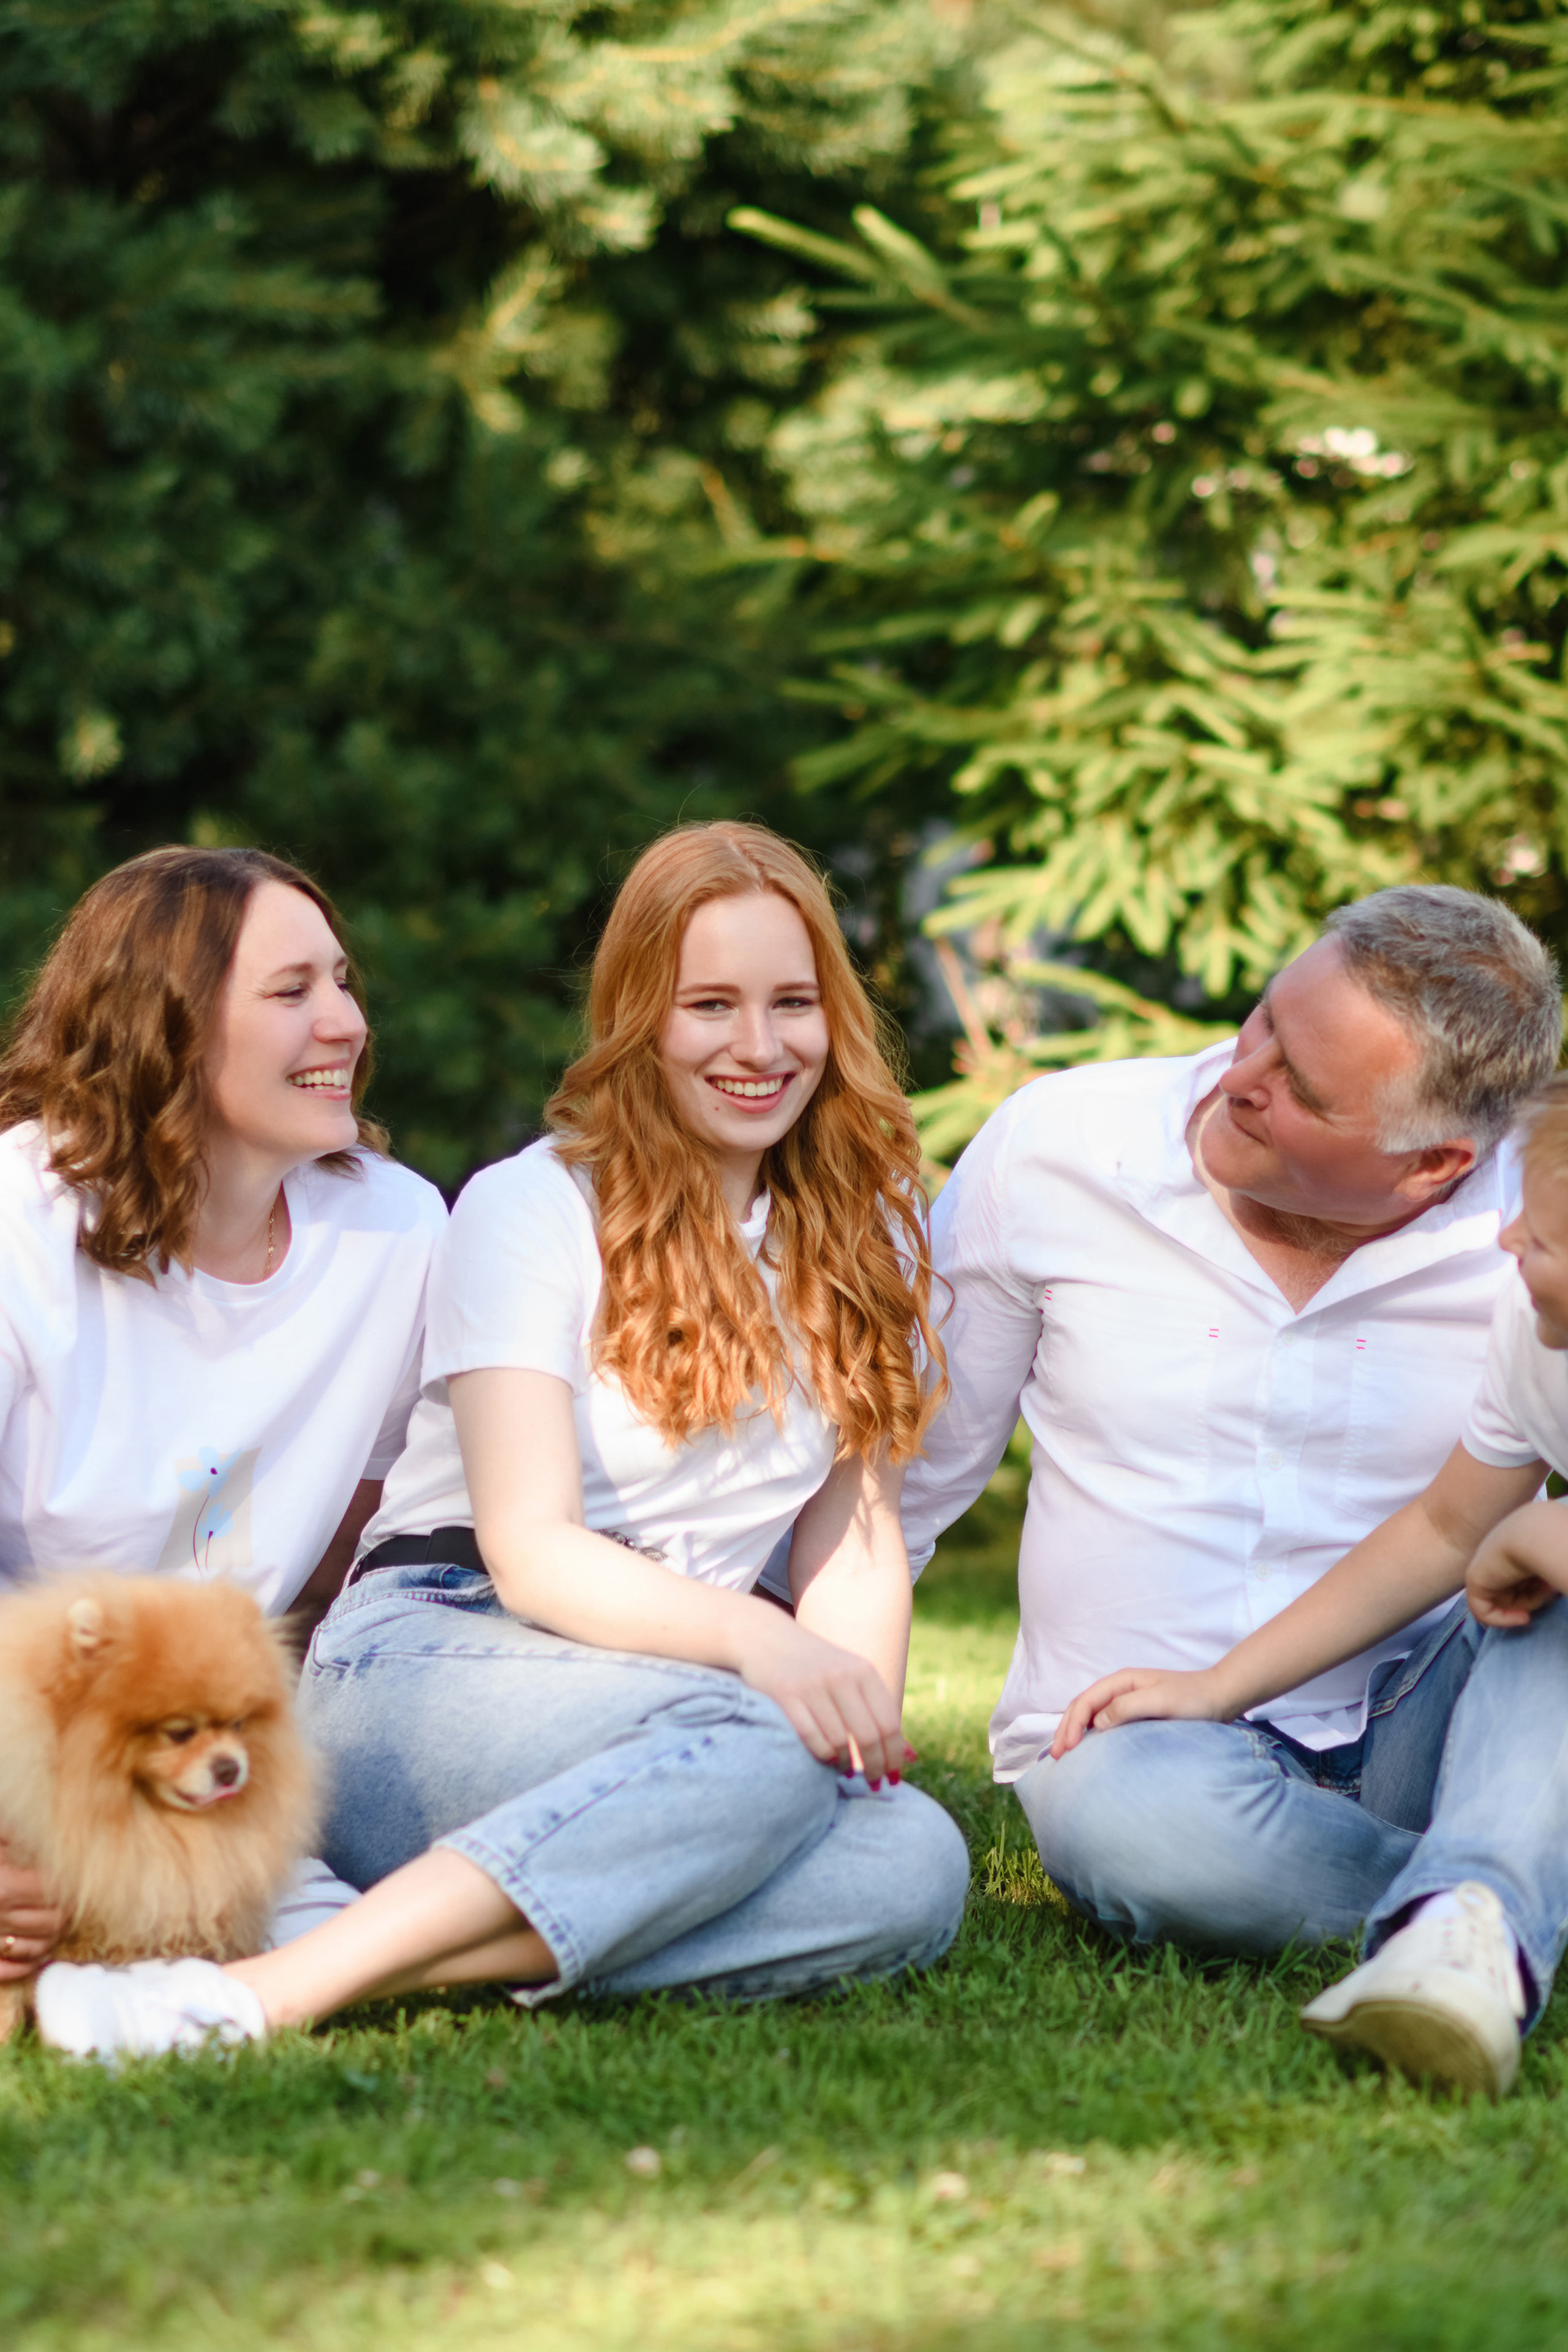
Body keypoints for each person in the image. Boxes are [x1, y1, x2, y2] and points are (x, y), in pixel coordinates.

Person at [38, 821, 970, 2058]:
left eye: (791, 1002)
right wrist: (765, 1652)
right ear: (640, 1014)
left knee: (912, 1862)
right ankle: (254, 2003)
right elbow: (529, 1549)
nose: (758, 1046)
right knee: (755, 1742)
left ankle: (382, 1946)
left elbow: (854, 1541)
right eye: (709, 1004)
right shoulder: (532, 1207)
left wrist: (858, 1729)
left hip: (670, 1698)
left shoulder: (872, 1223)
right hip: (437, 1651)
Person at [899, 883, 1563, 2095]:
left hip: (1442, 1714)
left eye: (1303, 1091)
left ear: (1432, 1167)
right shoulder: (1059, 1146)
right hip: (1147, 1750)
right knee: (1133, 1826)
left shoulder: (1537, 1224)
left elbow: (1458, 1529)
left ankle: (1480, 1907)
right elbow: (911, 1473)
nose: (1238, 1076)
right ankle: (1489, 1908)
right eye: (1261, 1020)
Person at [1050, 1069, 1568, 2097]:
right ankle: (1489, 1904)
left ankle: (1477, 1929)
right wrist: (1217, 1688)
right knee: (1106, 1798)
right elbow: (1443, 1526)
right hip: (1459, 1750)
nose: (1506, 1248)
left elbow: (1508, 1545)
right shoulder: (1536, 1327)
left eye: (1543, 1241)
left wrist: (1540, 1534)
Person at [0, 846, 446, 1991]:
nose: (346, 1020)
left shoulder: (398, 1231)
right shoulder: (20, 1220)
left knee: (326, 1932)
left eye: (342, 982)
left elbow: (374, 1525)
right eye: (292, 992)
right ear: (170, 1024)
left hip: (222, 1751)